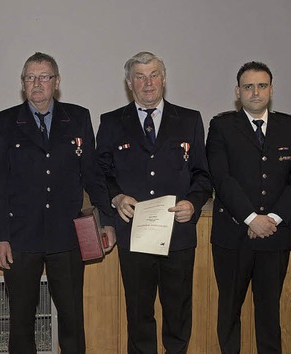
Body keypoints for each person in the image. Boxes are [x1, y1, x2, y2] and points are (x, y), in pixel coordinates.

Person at [0, 52, 116, 354]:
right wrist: (0, 237)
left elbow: (93, 176)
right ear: (22, 84)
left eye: (44, 76)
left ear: (56, 82)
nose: (37, 83)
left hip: (67, 236)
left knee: (72, 318)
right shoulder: (3, 122)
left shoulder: (78, 118)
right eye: (30, 77)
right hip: (21, 237)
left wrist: (108, 220)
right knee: (21, 320)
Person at [96, 51, 212, 354]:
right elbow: (100, 173)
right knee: (138, 314)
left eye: (154, 75)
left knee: (178, 312)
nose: (148, 83)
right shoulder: (111, 122)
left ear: (164, 78)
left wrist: (194, 203)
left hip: (178, 233)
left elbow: (203, 174)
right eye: (140, 76)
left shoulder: (189, 119)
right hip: (134, 234)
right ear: (129, 82)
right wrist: (116, 196)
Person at [206, 61, 291, 353]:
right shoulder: (222, 126)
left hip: (274, 236)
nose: (255, 92)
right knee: (229, 311)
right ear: (238, 92)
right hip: (232, 236)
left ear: (271, 90)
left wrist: (272, 219)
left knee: (269, 312)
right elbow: (222, 178)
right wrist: (252, 219)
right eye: (248, 86)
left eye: (262, 85)